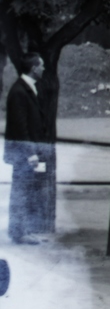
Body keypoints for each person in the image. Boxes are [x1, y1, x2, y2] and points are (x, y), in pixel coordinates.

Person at [6, 53, 55, 243]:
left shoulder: (26, 88)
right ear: (34, 68)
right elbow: (20, 126)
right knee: (22, 192)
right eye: (41, 65)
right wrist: (31, 154)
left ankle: (22, 231)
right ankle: (19, 233)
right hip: (24, 154)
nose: (43, 68)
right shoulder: (20, 91)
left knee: (27, 191)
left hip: (27, 153)